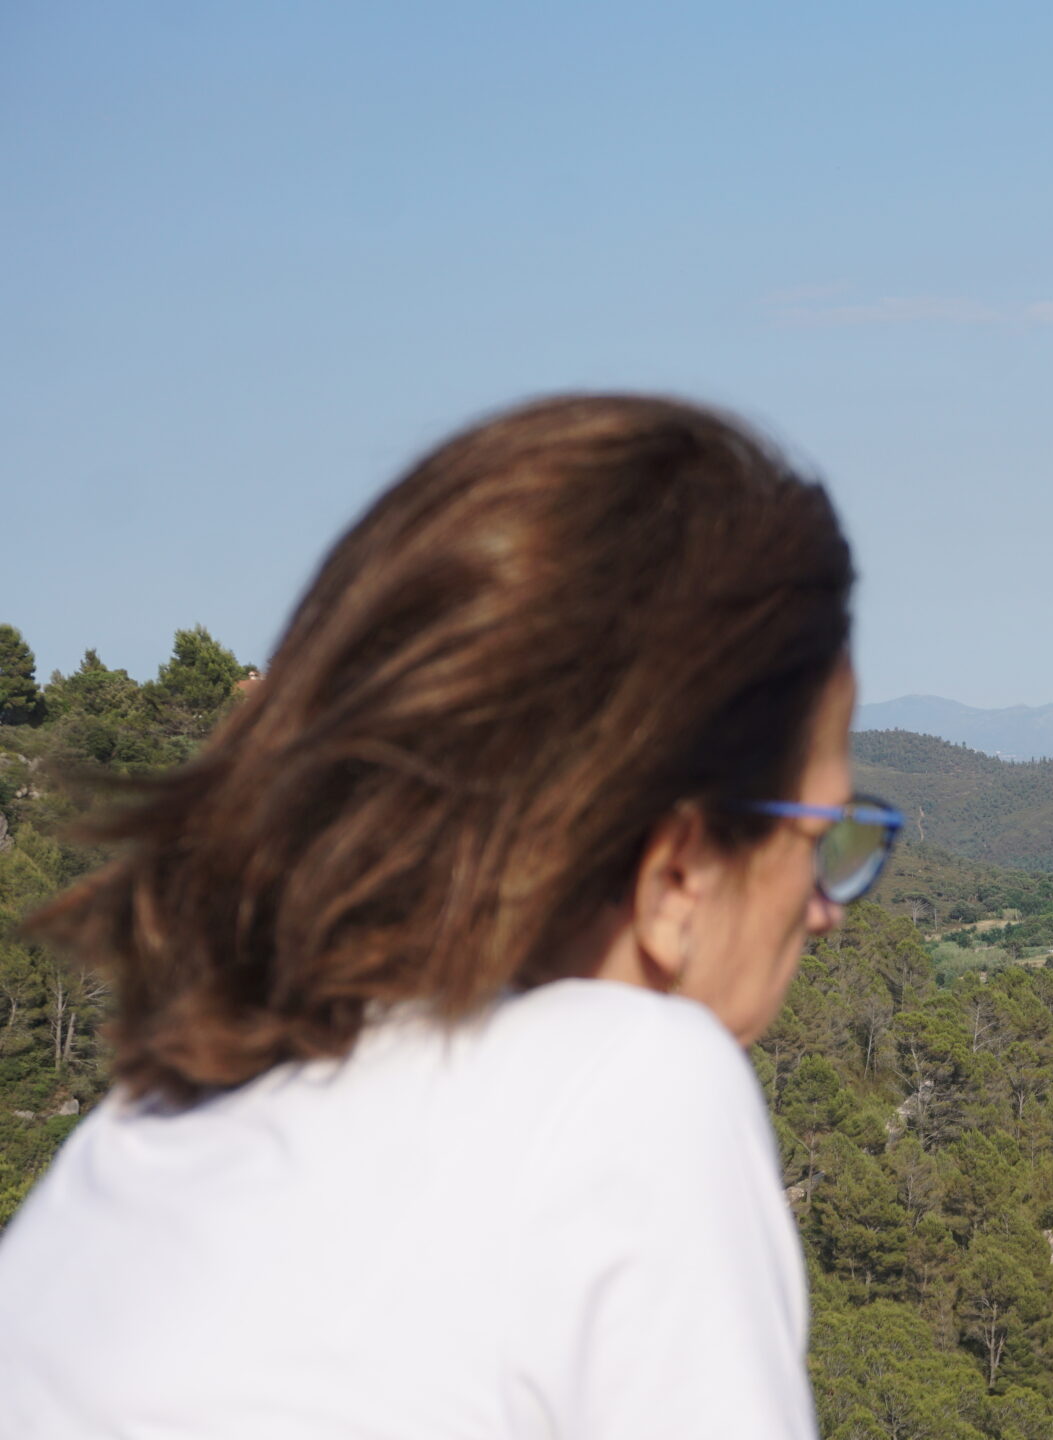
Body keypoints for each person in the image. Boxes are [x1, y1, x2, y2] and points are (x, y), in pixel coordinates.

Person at [0, 395, 902, 1438]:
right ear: (678, 872)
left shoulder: (146, 1129)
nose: (826, 913)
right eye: (820, 836)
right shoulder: (631, 1083)